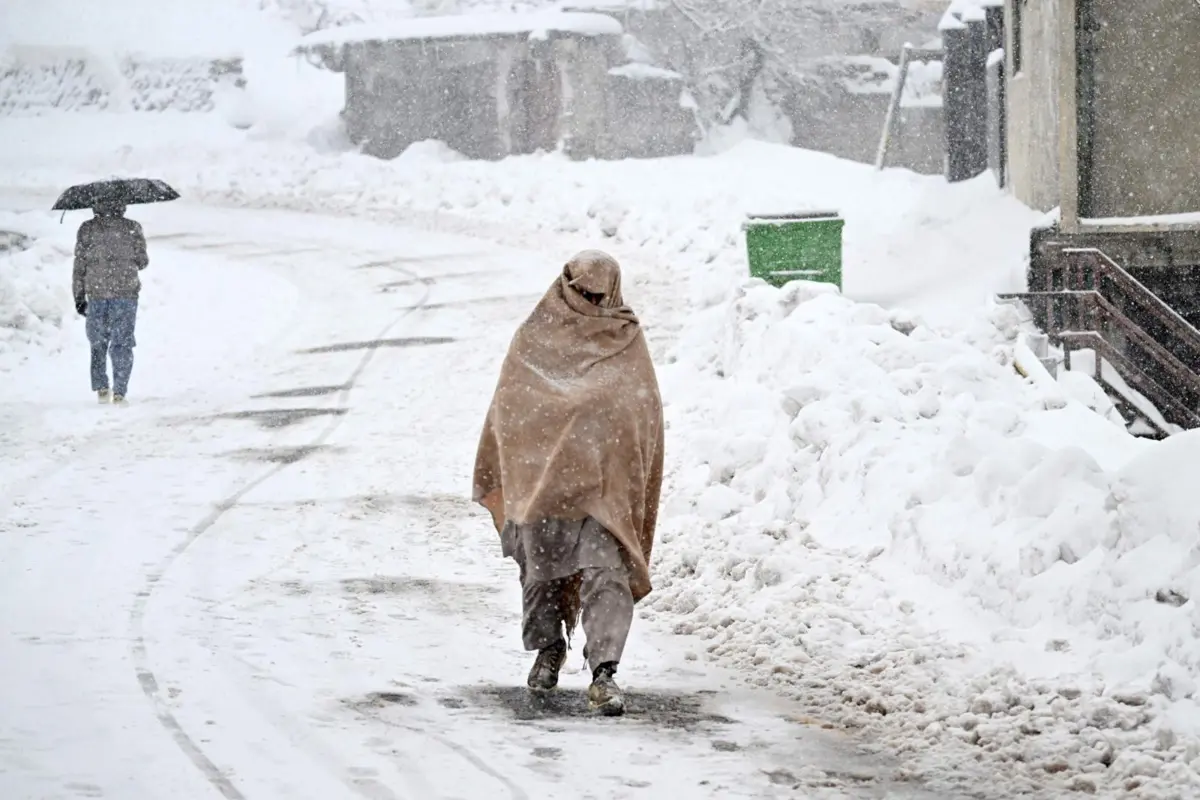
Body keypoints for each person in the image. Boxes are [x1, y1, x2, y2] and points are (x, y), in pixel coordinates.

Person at [473, 250, 665, 717]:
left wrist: (611, 440)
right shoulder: (534, 338)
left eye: (598, 295)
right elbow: (511, 407)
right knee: (542, 573)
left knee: (607, 574)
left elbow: (643, 410)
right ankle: (548, 648)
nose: (589, 302)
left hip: (602, 490)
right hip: (545, 484)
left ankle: (604, 671)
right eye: (582, 293)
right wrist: (537, 446)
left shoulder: (623, 336)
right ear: (566, 286)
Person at [72, 202, 148, 405]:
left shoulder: (87, 229)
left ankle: (101, 387)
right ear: (122, 205)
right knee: (122, 342)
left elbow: (79, 265)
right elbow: (142, 262)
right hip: (125, 293)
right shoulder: (132, 227)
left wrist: (79, 296)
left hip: (97, 293)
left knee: (98, 342)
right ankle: (120, 391)